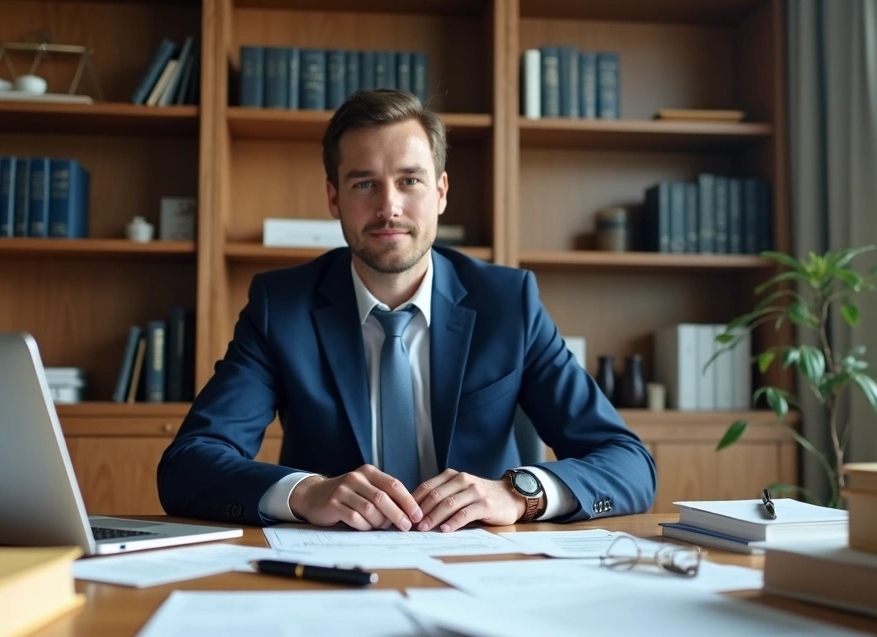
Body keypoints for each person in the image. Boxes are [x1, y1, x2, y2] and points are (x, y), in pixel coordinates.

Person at [157, 89, 656, 531]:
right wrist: (305, 493)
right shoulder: (281, 306)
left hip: (486, 567)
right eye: (364, 183)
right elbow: (188, 464)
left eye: (410, 181)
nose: (389, 207)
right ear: (334, 197)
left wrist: (519, 493)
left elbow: (628, 462)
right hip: (333, 568)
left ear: (440, 192)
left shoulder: (508, 303)